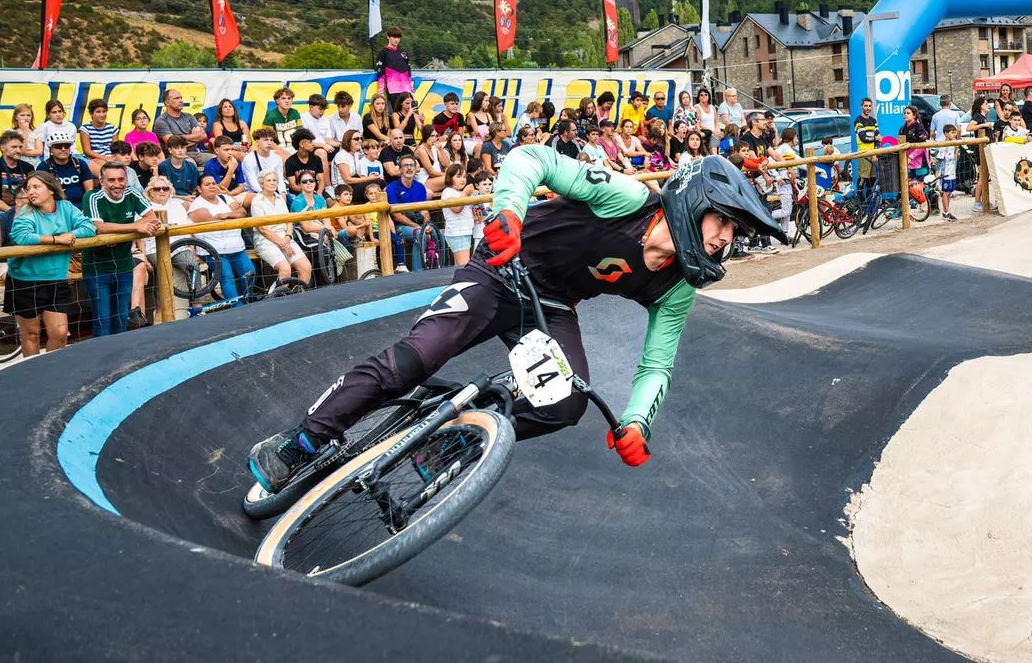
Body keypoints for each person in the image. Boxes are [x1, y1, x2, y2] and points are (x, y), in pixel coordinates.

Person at [247, 148, 788, 502]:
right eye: (723, 222)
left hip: (548, 306)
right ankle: (301, 442)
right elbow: (533, 158)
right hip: (501, 265)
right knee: (417, 358)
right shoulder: (626, 199)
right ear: (695, 203)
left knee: (566, 404)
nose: (725, 240)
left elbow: (657, 363)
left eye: (734, 232)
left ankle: (450, 439)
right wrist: (508, 212)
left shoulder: (677, 287)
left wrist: (638, 421)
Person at [6, 171, 93, 357]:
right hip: (25, 280)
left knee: (60, 333)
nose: (31, 192)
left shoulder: (66, 207)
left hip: (56, 278)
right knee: (31, 334)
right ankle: (31, 376)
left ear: (51, 189)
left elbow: (89, 227)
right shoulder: (26, 211)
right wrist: (56, 240)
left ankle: (49, 371)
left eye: (36, 187)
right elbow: (21, 236)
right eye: (28, 188)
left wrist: (72, 234)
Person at [82, 159, 161, 336]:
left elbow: (151, 217)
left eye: (121, 179)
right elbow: (98, 227)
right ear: (102, 182)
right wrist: (135, 227)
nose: (117, 184)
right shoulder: (92, 197)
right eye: (111, 180)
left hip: (124, 265)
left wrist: (118, 230)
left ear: (126, 179)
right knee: (102, 320)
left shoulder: (132, 192)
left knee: (122, 318)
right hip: (97, 267)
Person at [186, 172, 255, 299]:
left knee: (249, 272)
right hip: (212, 250)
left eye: (213, 183)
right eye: (207, 184)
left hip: (237, 247)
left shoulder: (224, 198)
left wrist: (226, 215)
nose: (212, 186)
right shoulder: (196, 205)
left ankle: (246, 300)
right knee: (226, 276)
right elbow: (210, 220)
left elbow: (242, 212)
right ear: (199, 189)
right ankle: (237, 307)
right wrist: (231, 215)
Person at [248, 170, 312, 288]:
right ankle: (276, 299)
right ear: (262, 184)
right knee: (285, 269)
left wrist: (287, 237)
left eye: (274, 180)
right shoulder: (257, 201)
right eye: (269, 180)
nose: (272, 183)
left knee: (306, 267)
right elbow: (263, 229)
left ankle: (298, 296)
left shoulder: (280, 198)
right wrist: (283, 243)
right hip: (266, 241)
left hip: (285, 238)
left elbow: (289, 220)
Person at [385, 155, 432, 271]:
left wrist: (426, 226)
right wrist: (417, 226)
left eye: (412, 165)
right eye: (405, 165)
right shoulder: (391, 188)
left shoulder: (420, 186)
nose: (409, 168)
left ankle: (438, 268)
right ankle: (418, 272)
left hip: (419, 223)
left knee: (438, 234)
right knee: (418, 234)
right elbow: (397, 215)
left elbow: (425, 210)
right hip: (400, 227)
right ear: (400, 169)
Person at [36, 136, 97, 210]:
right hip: (57, 208)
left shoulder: (80, 163)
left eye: (67, 146)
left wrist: (87, 208)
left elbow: (89, 189)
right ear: (51, 149)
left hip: (82, 206)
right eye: (58, 146)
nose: (63, 149)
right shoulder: (44, 167)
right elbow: (43, 193)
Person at [0, 131, 36, 213]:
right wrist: (11, 211)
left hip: (26, 209)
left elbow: (33, 193)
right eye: (14, 147)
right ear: (2, 148)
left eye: (20, 147)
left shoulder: (28, 167)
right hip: (0, 210)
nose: (18, 150)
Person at [437, 163, 480, 264]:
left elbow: (471, 214)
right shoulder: (448, 191)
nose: (462, 179)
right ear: (450, 177)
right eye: (458, 176)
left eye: (464, 176)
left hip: (465, 231)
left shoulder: (460, 193)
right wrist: (465, 193)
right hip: (457, 233)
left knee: (459, 266)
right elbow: (456, 209)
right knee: (463, 266)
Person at [153, 88, 206, 157]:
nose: (181, 100)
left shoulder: (189, 116)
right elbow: (173, 143)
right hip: (175, 155)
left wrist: (180, 137)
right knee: (190, 163)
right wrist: (195, 139)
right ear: (167, 102)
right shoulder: (161, 120)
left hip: (195, 152)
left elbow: (203, 135)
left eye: (181, 98)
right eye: (176, 98)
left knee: (216, 159)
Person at [375, 29, 414, 113]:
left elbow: (409, 73)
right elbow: (380, 73)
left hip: (407, 91)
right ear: (388, 37)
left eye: (399, 37)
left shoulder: (403, 53)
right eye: (394, 37)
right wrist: (381, 92)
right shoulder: (383, 52)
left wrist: (411, 89)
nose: (397, 40)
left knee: (410, 115)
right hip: (393, 90)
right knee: (397, 115)